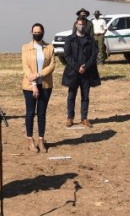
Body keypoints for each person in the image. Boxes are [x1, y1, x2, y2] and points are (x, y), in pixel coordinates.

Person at [21, 23, 56, 153]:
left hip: (46, 84)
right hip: (29, 86)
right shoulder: (26, 47)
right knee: (30, 113)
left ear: (43, 32)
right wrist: (34, 84)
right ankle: (30, 140)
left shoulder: (49, 48)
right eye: (34, 32)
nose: (37, 34)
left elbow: (52, 65)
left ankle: (41, 139)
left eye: (39, 32)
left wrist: (39, 74)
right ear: (31, 32)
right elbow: (26, 67)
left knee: (41, 113)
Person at [61, 16, 101, 128]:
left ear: (86, 25)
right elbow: (67, 55)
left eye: (83, 24)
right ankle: (70, 118)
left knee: (85, 96)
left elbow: (94, 54)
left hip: (87, 72)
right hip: (73, 72)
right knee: (71, 96)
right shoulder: (70, 39)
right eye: (79, 24)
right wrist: (77, 67)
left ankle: (84, 118)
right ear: (75, 25)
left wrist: (86, 66)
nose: (81, 26)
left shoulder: (90, 39)